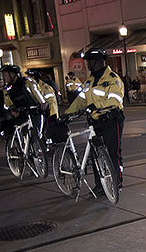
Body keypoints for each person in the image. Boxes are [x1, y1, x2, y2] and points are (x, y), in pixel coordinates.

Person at [65, 48, 125, 193]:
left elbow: (115, 99)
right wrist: (67, 114)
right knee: (95, 154)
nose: (87, 65)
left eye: (89, 62)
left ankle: (117, 183)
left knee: (113, 152)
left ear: (98, 62)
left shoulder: (112, 79)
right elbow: (81, 100)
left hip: (111, 119)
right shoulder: (89, 82)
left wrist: (96, 106)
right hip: (95, 121)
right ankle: (100, 185)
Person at [1, 65, 47, 137]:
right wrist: (11, 110)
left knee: (38, 134)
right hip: (21, 115)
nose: (3, 77)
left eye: (4, 74)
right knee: (24, 135)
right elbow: (7, 104)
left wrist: (43, 103)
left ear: (12, 74)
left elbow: (36, 92)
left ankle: (40, 147)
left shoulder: (26, 82)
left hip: (34, 112)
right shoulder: (7, 89)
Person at [25, 69, 60, 144]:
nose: (29, 78)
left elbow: (50, 101)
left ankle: (47, 147)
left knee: (45, 132)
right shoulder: (32, 87)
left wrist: (47, 109)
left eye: (31, 77)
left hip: (49, 112)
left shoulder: (45, 87)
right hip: (41, 112)